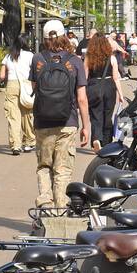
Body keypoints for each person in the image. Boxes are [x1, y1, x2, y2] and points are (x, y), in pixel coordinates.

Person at [31, 19, 90, 212]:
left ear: (46, 38)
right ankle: (61, 210)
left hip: (43, 122)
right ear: (64, 35)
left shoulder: (37, 59)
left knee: (44, 165)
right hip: (68, 121)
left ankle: (46, 205)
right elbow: (81, 98)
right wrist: (86, 126)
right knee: (62, 169)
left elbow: (34, 89)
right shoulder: (75, 62)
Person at [84, 31, 123, 152]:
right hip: (109, 86)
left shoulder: (88, 58)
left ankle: (96, 138)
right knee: (108, 115)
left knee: (96, 115)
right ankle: (106, 143)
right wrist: (120, 94)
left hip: (93, 86)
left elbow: (84, 76)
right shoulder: (112, 58)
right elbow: (116, 78)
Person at [0, 34, 35, 155]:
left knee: (13, 117)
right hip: (27, 85)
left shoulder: (8, 56)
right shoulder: (30, 56)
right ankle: (29, 142)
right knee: (27, 114)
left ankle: (15, 145)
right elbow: (35, 72)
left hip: (11, 86)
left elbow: (2, 76)